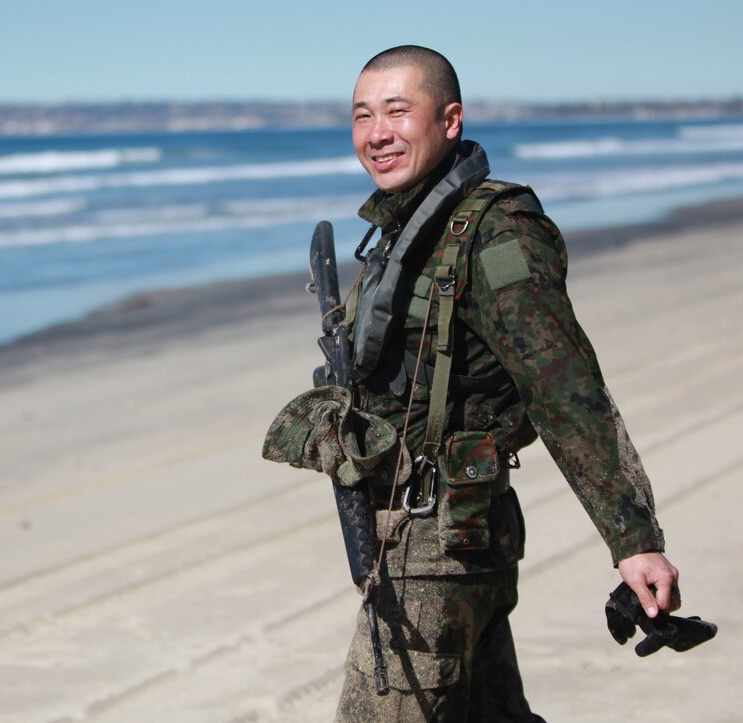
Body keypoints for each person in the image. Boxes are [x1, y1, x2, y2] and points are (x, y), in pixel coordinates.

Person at [266, 46, 681, 722]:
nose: (377, 133)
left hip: (442, 541)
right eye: (362, 115)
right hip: (436, 534)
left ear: (450, 120)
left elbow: (564, 384)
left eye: (399, 111)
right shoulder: (406, 228)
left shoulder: (492, 234)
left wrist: (633, 539)